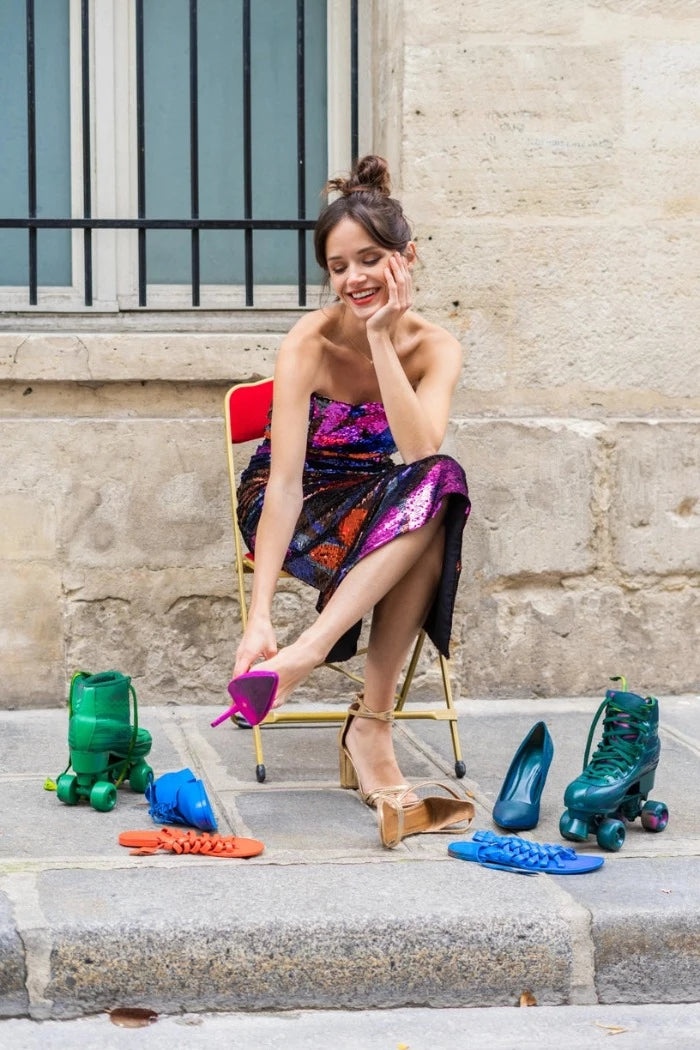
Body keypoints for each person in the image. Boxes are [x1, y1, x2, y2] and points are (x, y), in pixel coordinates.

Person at [232, 155, 471, 820]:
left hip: (378, 498)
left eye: (369, 259)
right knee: (429, 518)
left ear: (407, 258)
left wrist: (382, 341)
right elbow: (284, 485)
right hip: (297, 502)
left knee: (440, 487)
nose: (353, 279)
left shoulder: (437, 348)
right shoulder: (308, 341)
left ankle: (318, 665)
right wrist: (259, 617)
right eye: (338, 267)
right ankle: (369, 729)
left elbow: (420, 457)